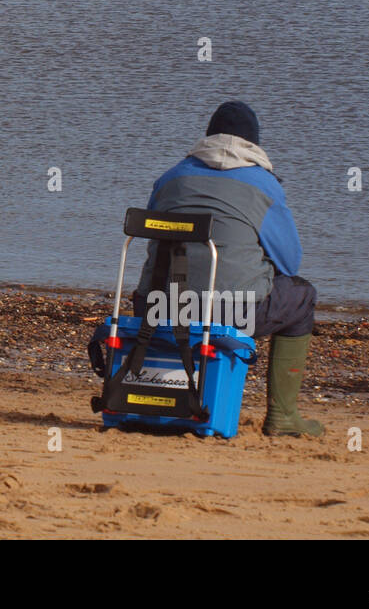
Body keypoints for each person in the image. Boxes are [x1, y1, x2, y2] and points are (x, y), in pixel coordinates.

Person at [132, 100, 321, 436]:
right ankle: (283, 417)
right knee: (302, 296)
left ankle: (162, 391)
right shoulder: (264, 185)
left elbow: (151, 240)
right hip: (234, 313)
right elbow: (290, 262)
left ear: (207, 137)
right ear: (254, 145)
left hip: (158, 308)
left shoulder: (170, 178)